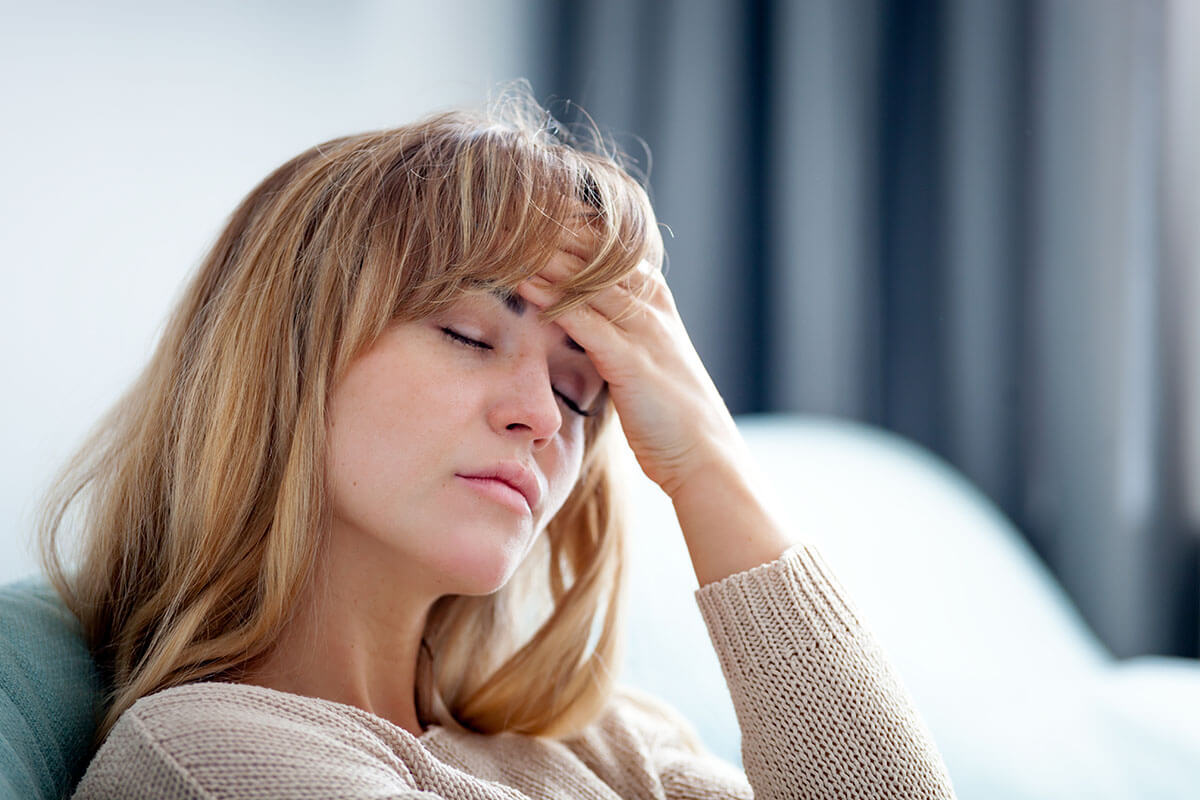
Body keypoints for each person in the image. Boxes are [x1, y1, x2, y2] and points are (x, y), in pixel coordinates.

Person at [40, 89, 958, 799]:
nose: (544, 417)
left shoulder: (615, 744)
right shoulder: (213, 755)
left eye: (578, 388)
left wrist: (707, 462)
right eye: (471, 336)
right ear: (286, 354)